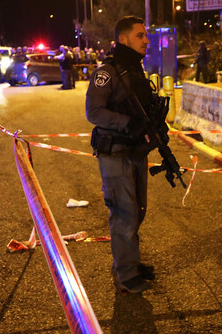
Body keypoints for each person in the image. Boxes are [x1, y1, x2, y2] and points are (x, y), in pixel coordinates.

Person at [85, 15, 157, 294]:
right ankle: (126, 275)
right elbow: (94, 112)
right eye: (140, 35)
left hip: (135, 151)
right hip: (115, 154)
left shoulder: (134, 70)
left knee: (137, 210)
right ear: (123, 39)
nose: (146, 40)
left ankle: (131, 263)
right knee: (124, 214)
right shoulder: (107, 72)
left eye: (145, 35)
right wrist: (128, 123)